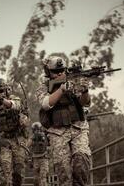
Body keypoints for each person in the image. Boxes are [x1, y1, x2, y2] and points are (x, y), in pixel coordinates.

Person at [36, 56, 92, 186]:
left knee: (81, 161)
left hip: (79, 128)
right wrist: (61, 89)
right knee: (63, 171)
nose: (60, 73)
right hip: (57, 132)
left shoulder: (74, 81)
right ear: (48, 72)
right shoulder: (43, 87)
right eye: (56, 71)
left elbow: (85, 103)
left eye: (62, 70)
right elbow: (45, 104)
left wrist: (85, 91)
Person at [0, 77, 30, 186]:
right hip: (5, 140)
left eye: (1, 91)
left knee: (18, 173)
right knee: (5, 174)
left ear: (7, 90)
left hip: (19, 139)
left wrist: (2, 100)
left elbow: (15, 106)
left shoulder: (14, 98)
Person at [28, 122, 49, 186]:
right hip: (35, 159)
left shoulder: (45, 136)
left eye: (38, 130)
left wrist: (44, 136)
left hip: (44, 158)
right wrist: (33, 138)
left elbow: (50, 144)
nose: (37, 131)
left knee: (43, 178)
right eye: (35, 130)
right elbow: (28, 145)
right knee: (36, 180)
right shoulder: (32, 137)